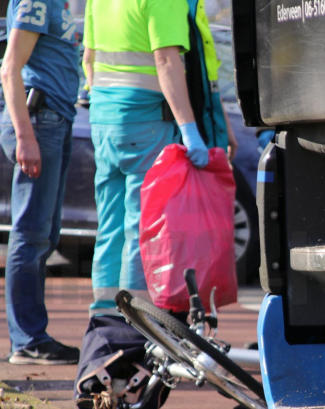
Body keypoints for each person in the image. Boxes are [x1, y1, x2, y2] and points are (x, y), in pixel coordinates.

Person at [82, 0, 235, 316]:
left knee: (110, 223)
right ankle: (135, 322)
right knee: (143, 226)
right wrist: (189, 129)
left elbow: (89, 60)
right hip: (146, 120)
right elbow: (166, 61)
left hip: (104, 119)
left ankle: (104, 318)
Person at [0, 0, 81, 365]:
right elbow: (10, 67)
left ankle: (32, 335)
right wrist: (24, 136)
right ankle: (27, 340)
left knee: (44, 235)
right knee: (31, 235)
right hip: (39, 120)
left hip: (54, 118)